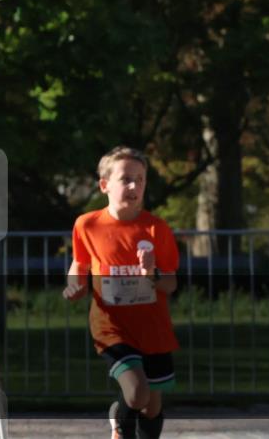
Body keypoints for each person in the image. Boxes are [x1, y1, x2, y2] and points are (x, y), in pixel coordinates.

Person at [63, 146, 179, 439]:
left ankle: (125, 419)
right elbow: (80, 263)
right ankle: (120, 424)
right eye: (126, 179)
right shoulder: (87, 224)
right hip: (111, 327)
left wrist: (151, 273)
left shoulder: (157, 229)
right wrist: (74, 285)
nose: (134, 186)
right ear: (104, 185)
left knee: (151, 406)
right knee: (138, 393)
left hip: (152, 328)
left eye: (140, 180)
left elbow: (170, 284)